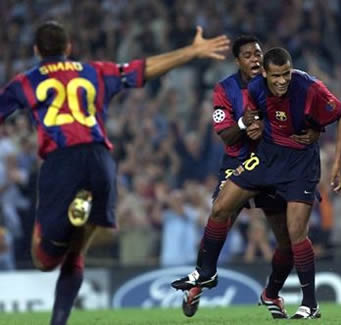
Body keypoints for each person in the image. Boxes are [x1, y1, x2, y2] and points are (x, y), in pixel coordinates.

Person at [0, 20, 229, 325]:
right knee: (76, 252)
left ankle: (74, 214)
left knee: (43, 260)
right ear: (69, 48)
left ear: (36, 50)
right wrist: (191, 50)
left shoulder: (25, 81)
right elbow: (142, 69)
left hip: (61, 161)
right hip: (99, 160)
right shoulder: (94, 70)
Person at [172, 47, 341, 319]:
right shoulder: (254, 88)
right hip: (266, 158)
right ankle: (206, 273)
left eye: (286, 74)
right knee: (220, 207)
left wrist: (337, 162)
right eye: (276, 75)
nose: (282, 81)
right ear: (265, 73)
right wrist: (254, 124)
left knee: (294, 233)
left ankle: (309, 303)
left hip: (299, 163)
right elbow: (257, 114)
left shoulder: (310, 88)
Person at [180, 35, 307, 319]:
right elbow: (225, 135)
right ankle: (200, 281)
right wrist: (243, 123)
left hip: (272, 164)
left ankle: (271, 294)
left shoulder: (276, 81)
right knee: (221, 213)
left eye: (258, 53)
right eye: (248, 55)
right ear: (237, 61)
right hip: (239, 162)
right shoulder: (224, 89)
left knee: (286, 241)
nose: (254, 59)